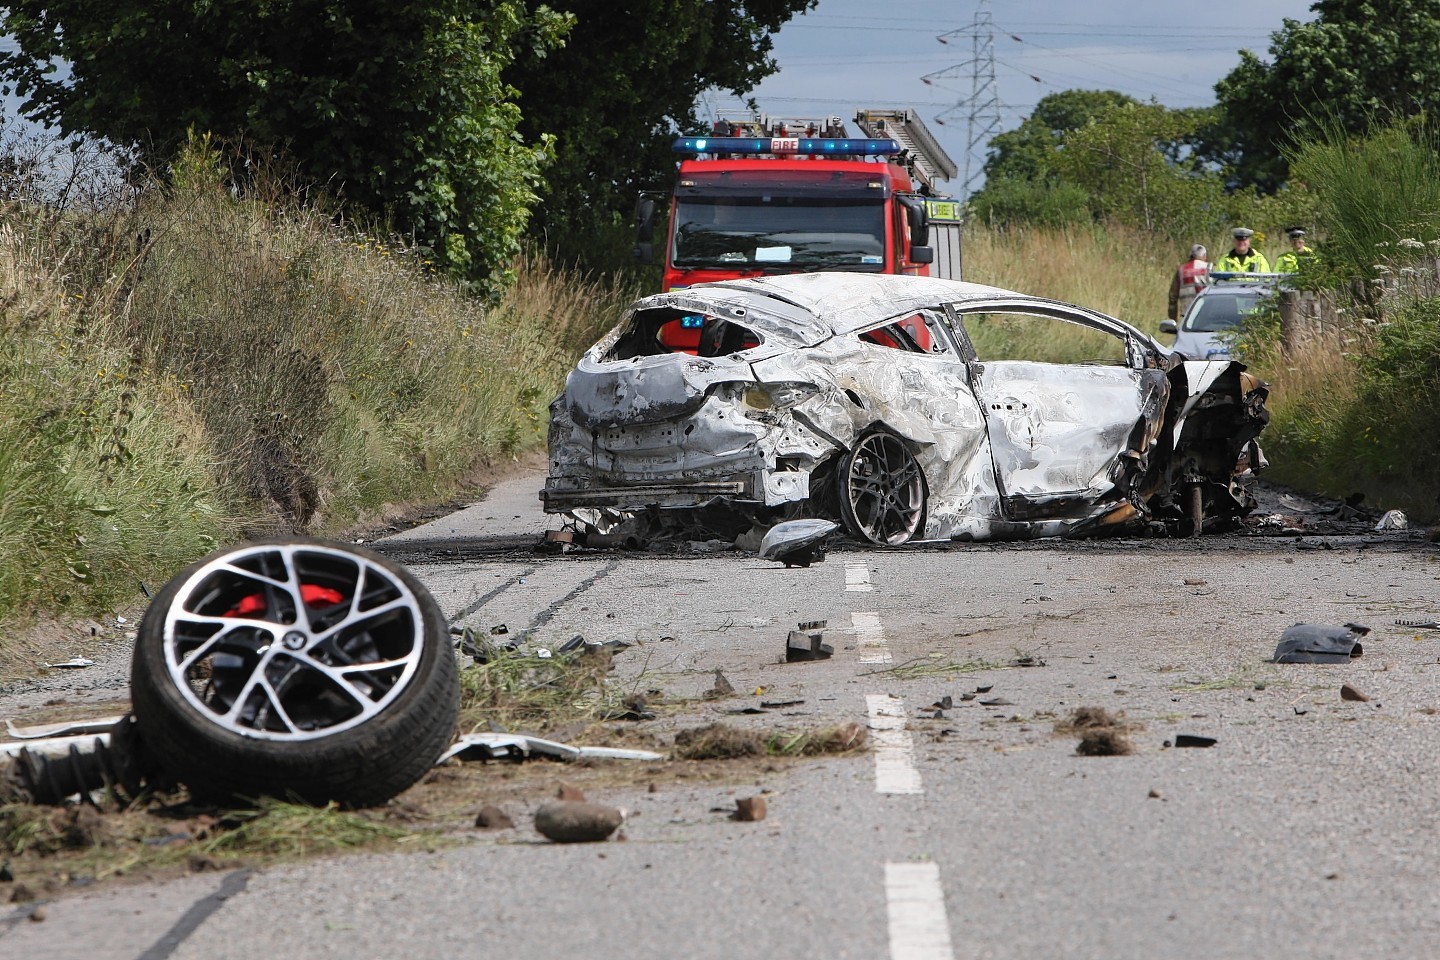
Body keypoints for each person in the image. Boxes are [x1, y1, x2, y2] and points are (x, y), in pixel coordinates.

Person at [1168, 243, 1210, 321]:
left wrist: (1173, 318)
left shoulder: (1181, 270)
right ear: (1204, 256)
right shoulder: (1209, 268)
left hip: (1187, 313)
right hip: (1207, 312)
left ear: (1190, 256)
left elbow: (1173, 296)